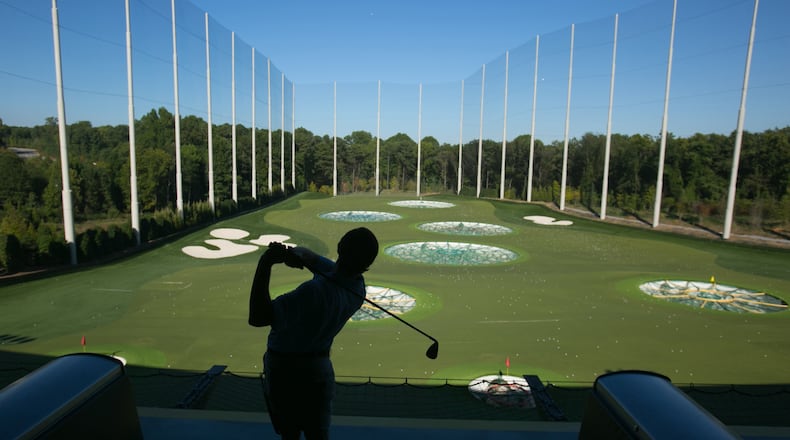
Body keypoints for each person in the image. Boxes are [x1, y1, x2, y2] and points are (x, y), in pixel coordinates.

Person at [248, 227, 379, 440]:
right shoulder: (358, 287)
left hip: (285, 371)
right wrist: (293, 254)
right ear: (367, 264)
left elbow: (258, 317)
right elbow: (313, 258)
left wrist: (266, 262)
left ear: (339, 248)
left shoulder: (313, 293)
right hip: (319, 371)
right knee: (318, 435)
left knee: (289, 434)